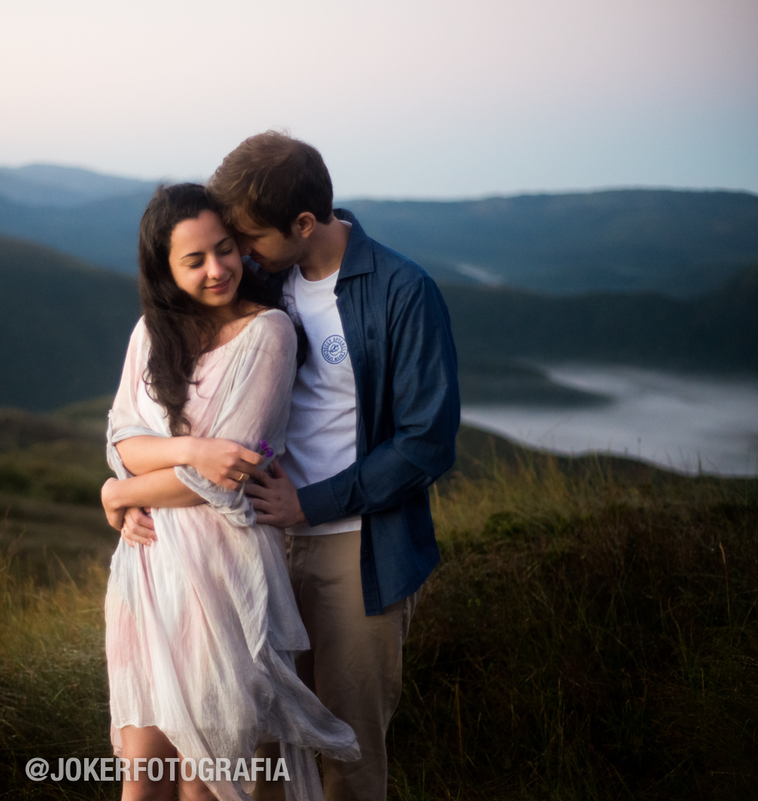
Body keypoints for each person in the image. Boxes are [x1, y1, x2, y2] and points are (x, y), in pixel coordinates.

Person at [120, 133, 461, 801]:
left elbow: (428, 441)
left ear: (303, 224)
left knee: (347, 749)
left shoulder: (401, 290)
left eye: (248, 238)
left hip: (354, 548)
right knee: (263, 744)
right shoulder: (268, 283)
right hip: (258, 546)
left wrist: (313, 502)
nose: (237, 254)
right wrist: (132, 486)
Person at [100, 182, 360, 801]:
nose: (218, 269)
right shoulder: (150, 333)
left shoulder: (269, 333)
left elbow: (228, 475)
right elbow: (120, 441)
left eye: (225, 250)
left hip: (225, 577)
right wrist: (180, 452)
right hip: (149, 574)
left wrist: (122, 493)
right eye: (194, 260)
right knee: (140, 784)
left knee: (209, 787)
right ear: (163, 268)